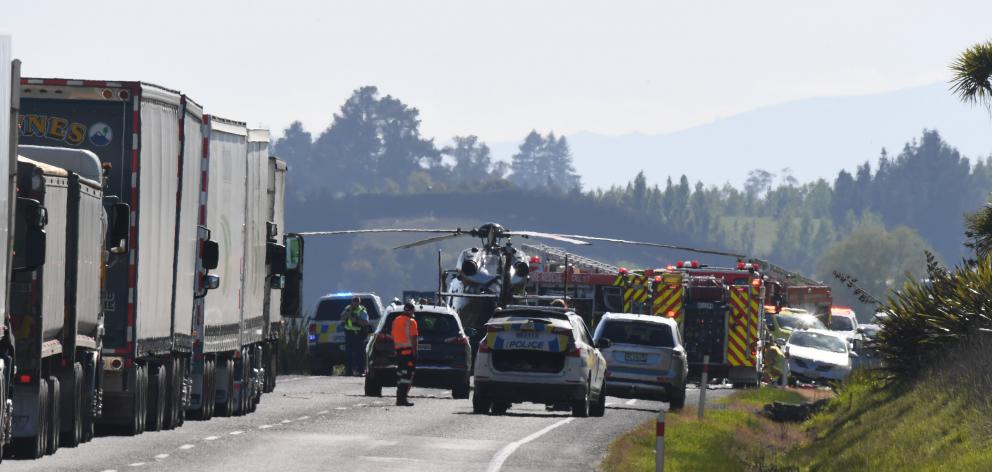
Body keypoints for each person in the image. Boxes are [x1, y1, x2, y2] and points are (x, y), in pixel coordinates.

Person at [391, 302, 419, 406]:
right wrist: (415, 354)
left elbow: (393, 335)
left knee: (400, 375)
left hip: (398, 352)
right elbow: (414, 338)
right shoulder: (411, 322)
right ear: (411, 311)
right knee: (407, 376)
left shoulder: (396, 320)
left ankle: (399, 398)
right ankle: (402, 399)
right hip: (408, 352)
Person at [340, 297, 370, 376]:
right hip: (349, 334)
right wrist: (348, 313)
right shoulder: (347, 309)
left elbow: (366, 322)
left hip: (358, 335)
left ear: (359, 302)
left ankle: (361, 371)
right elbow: (342, 317)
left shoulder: (362, 310)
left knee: (360, 353)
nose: (355, 303)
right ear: (352, 302)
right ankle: (349, 371)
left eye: (357, 301)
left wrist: (357, 320)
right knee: (348, 354)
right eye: (354, 301)